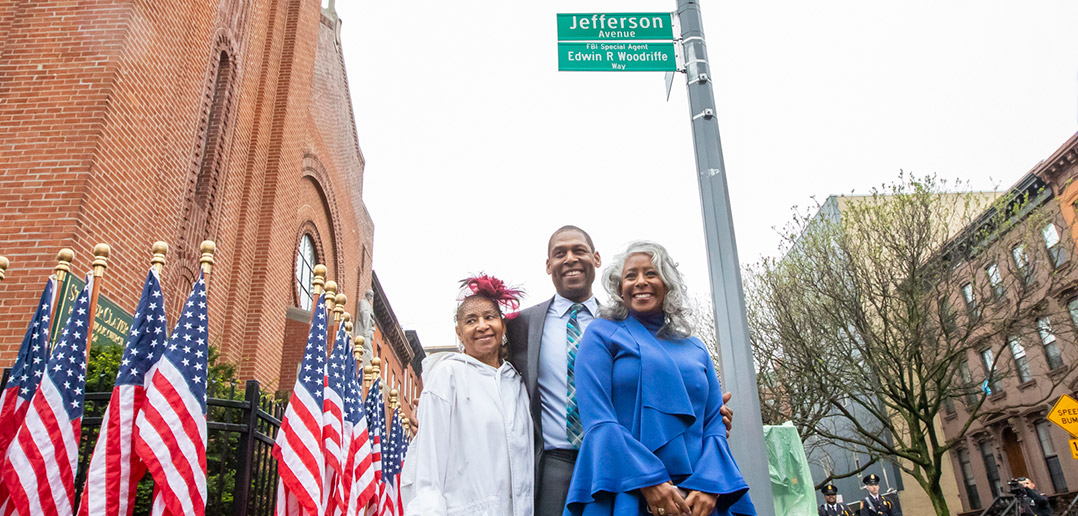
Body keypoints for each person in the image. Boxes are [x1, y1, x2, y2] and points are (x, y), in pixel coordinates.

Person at [506, 227, 734, 516]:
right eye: (560, 253)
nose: (570, 259)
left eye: (579, 250)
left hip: (672, 476)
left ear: (596, 258)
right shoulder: (519, 326)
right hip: (560, 464)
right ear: (548, 264)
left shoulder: (674, 340)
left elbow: (709, 416)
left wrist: (709, 464)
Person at [562, 241, 754, 516]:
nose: (641, 282)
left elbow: (713, 424)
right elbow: (599, 419)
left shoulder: (696, 347)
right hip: (627, 489)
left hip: (698, 495)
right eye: (631, 276)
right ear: (619, 288)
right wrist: (649, 482)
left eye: (651, 274)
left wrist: (710, 486)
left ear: (667, 284)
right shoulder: (600, 334)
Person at [400, 275, 533, 516]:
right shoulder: (446, 376)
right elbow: (428, 470)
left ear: (503, 326)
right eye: (471, 320)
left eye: (489, 317)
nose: (482, 326)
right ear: (459, 333)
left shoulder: (517, 382)